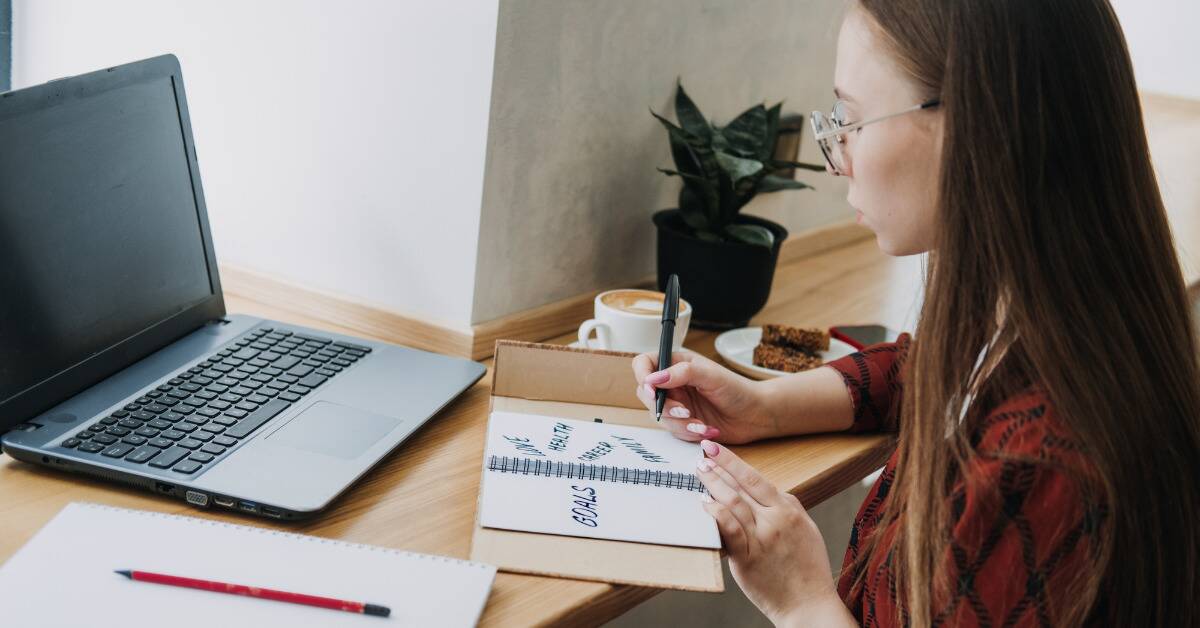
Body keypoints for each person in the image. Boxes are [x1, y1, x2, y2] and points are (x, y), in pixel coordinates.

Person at [633, 0, 1200, 625]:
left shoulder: (1038, 471)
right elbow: (926, 369)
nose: (835, 155)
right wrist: (763, 407)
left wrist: (801, 601)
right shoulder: (1049, 318)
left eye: (850, 119)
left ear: (971, 128)